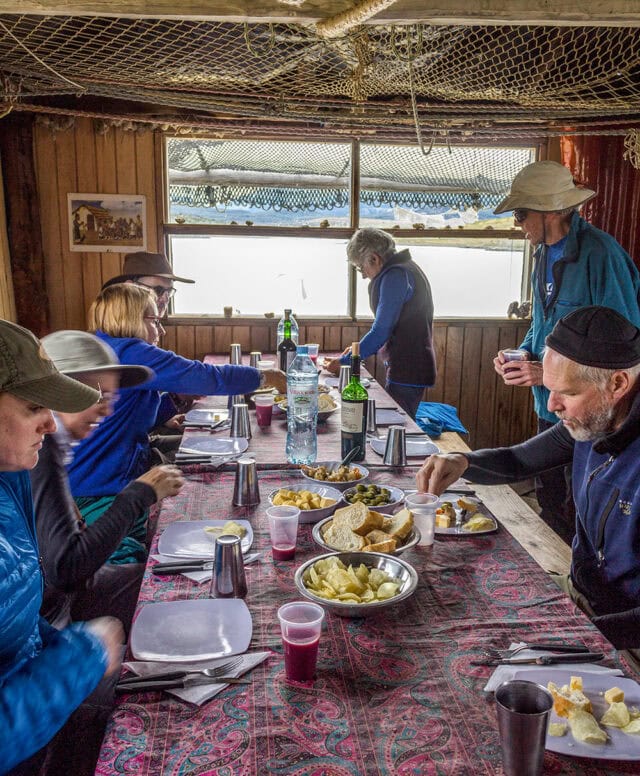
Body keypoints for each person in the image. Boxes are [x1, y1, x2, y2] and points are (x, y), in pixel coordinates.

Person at [417, 306, 640, 665]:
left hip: (624, 633)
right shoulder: (599, 418)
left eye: (565, 393)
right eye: (549, 390)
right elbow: (519, 460)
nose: (553, 407)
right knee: (459, 618)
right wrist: (464, 462)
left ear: (617, 384)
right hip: (582, 598)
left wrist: (577, 634)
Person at [67, 284, 286, 558]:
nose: (162, 331)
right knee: (128, 563)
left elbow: (128, 411)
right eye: (155, 321)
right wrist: (263, 377)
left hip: (101, 476)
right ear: (131, 319)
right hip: (99, 488)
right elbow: (207, 376)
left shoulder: (106, 346)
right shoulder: (131, 352)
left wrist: (173, 405)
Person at [492, 160, 640, 544]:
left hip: (594, 414)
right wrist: (524, 356)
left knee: (585, 508)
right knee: (551, 497)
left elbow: (622, 347)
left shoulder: (601, 255)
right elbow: (540, 326)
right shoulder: (542, 254)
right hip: (551, 406)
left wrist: (547, 373)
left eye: (522, 213)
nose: (516, 223)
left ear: (554, 211)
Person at [0, 319, 124, 775]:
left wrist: (68, 644)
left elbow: (18, 627)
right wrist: (82, 655)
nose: (50, 423)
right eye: (35, 406)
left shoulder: (9, 479)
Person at [30, 330, 185, 634]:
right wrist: (139, 495)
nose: (107, 409)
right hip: (51, 614)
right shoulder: (40, 450)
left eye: (112, 397)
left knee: (174, 582)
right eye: (98, 395)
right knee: (170, 594)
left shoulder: (56, 447)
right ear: (59, 391)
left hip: (61, 594)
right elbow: (67, 570)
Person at [324, 228, 436, 419]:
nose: (362, 275)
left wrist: (347, 361)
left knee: (399, 427)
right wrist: (354, 352)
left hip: (409, 369)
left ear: (375, 259)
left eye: (361, 267)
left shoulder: (395, 276)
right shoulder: (407, 267)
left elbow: (381, 330)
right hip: (412, 366)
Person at [102, 250, 194, 318]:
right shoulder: (114, 326)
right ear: (129, 287)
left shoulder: (148, 325)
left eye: (169, 292)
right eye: (157, 290)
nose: (165, 299)